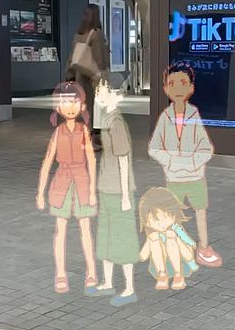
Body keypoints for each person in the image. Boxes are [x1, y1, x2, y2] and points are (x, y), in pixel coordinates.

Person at [148, 63, 222, 267]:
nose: (178, 89)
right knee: (173, 214)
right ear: (165, 88)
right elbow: (154, 148)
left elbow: (205, 148)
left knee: (200, 210)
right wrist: (171, 161)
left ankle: (204, 246)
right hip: (174, 178)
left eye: (183, 83)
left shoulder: (194, 115)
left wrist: (193, 163)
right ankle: (176, 247)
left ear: (191, 87)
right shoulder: (165, 117)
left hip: (195, 176)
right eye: (172, 84)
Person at [35, 81, 97, 295]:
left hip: (81, 181)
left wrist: (92, 190)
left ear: (81, 105)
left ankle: (91, 272)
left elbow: (91, 159)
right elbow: (47, 161)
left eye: (74, 102)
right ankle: (60, 273)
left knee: (85, 229)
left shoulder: (83, 131)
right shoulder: (57, 133)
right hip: (61, 182)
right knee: (60, 230)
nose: (69, 107)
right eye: (63, 103)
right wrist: (40, 192)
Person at [90, 77, 140, 307]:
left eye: (103, 92)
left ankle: (129, 287)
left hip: (118, 190)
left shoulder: (116, 122)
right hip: (106, 186)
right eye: (97, 93)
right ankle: (108, 281)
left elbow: (122, 160)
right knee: (107, 236)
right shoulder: (107, 119)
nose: (99, 97)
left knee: (122, 238)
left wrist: (126, 196)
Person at [138, 186, 198, 292]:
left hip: (183, 262)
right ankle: (162, 274)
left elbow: (190, 247)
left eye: (165, 217)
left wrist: (191, 260)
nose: (161, 223)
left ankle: (178, 274)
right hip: (161, 266)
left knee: (171, 236)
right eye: (155, 220)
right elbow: (143, 256)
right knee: (154, 238)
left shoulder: (176, 228)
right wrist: (150, 241)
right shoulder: (153, 235)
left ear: (174, 215)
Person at [67, 4, 110, 145]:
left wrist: (69, 74)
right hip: (93, 76)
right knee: (96, 107)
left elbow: (72, 56)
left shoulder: (78, 33)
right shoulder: (95, 34)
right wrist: (102, 75)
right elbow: (99, 58)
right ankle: (92, 137)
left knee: (84, 106)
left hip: (80, 75)